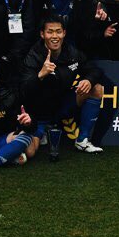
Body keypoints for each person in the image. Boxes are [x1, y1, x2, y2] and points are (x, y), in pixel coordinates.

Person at [20, 14, 105, 157]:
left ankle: (82, 140)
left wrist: (88, 80)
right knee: (30, 152)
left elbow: (94, 69)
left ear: (64, 33)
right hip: (39, 115)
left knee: (96, 88)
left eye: (58, 31)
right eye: (50, 32)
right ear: (42, 34)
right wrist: (40, 75)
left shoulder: (71, 52)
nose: (55, 36)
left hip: (63, 107)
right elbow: (23, 90)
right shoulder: (33, 56)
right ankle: (42, 132)